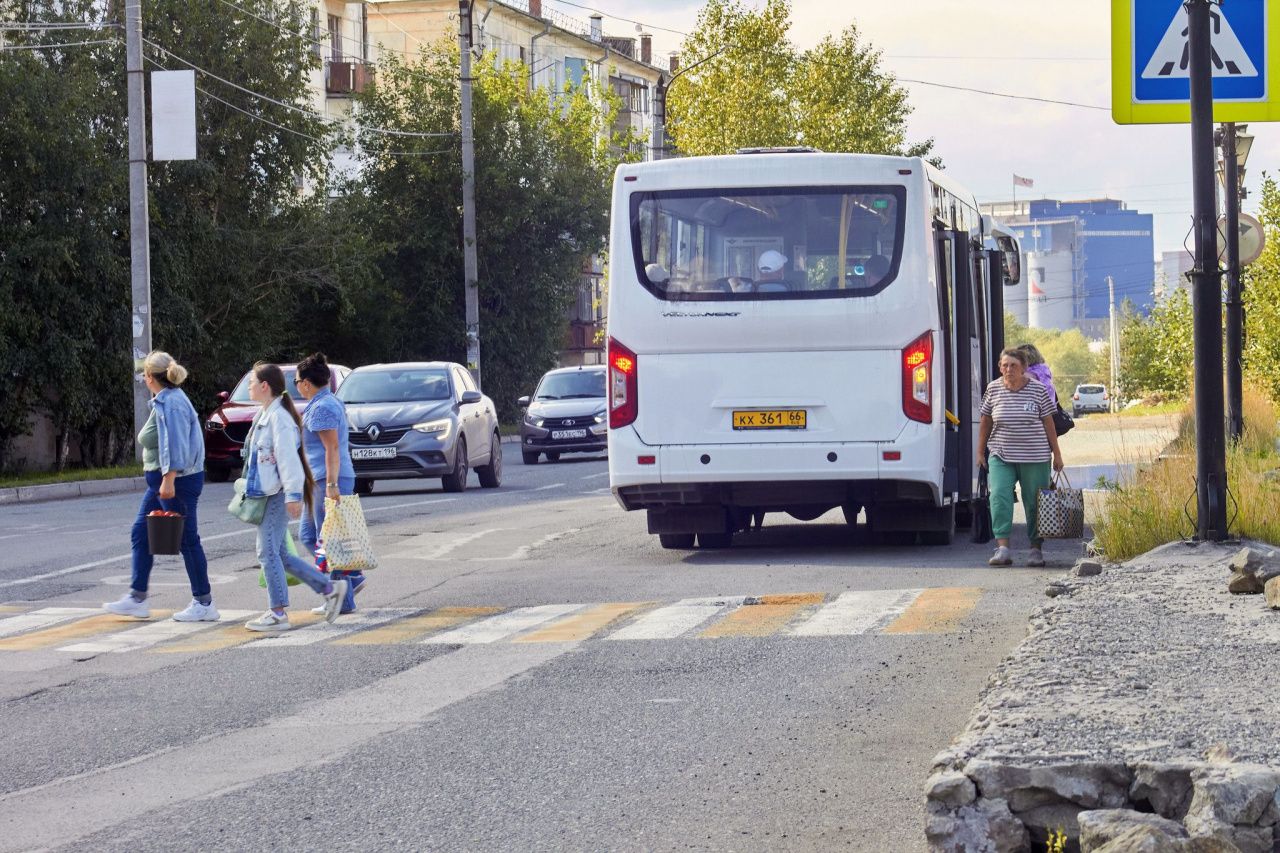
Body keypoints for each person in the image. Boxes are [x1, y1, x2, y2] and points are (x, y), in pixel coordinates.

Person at [106, 352, 219, 621]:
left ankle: (204, 603)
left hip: (177, 482)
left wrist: (169, 479)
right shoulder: (164, 400)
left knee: (187, 540)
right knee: (140, 533)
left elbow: (176, 445)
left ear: (148, 377)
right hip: (164, 482)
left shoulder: (173, 404)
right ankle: (137, 598)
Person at [243, 362, 346, 631]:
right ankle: (329, 588)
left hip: (276, 494)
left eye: (252, 382)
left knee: (267, 552)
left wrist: (292, 495)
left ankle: (277, 613)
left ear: (265, 386)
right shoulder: (265, 415)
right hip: (266, 492)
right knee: (281, 555)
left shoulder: (279, 419)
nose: (249, 386)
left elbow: (288, 460)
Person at [976, 347, 1065, 568]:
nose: (1009, 369)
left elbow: (1048, 422)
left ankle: (1035, 549)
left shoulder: (1037, 390)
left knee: (1034, 502)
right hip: (1001, 454)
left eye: (1014, 366)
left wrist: (1057, 454)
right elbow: (986, 420)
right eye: (1005, 365)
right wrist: (980, 452)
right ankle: (1003, 549)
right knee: (998, 497)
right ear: (999, 367)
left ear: (1024, 368)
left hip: (1035, 456)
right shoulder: (993, 389)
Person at [293, 353, 365, 615]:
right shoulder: (325, 401)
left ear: (307, 383)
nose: (296, 386)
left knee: (328, 541)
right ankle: (351, 577)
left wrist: (332, 485)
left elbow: (331, 447)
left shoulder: (323, 406)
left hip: (327, 479)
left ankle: (342, 598)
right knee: (310, 536)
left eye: (297, 381)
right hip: (319, 478)